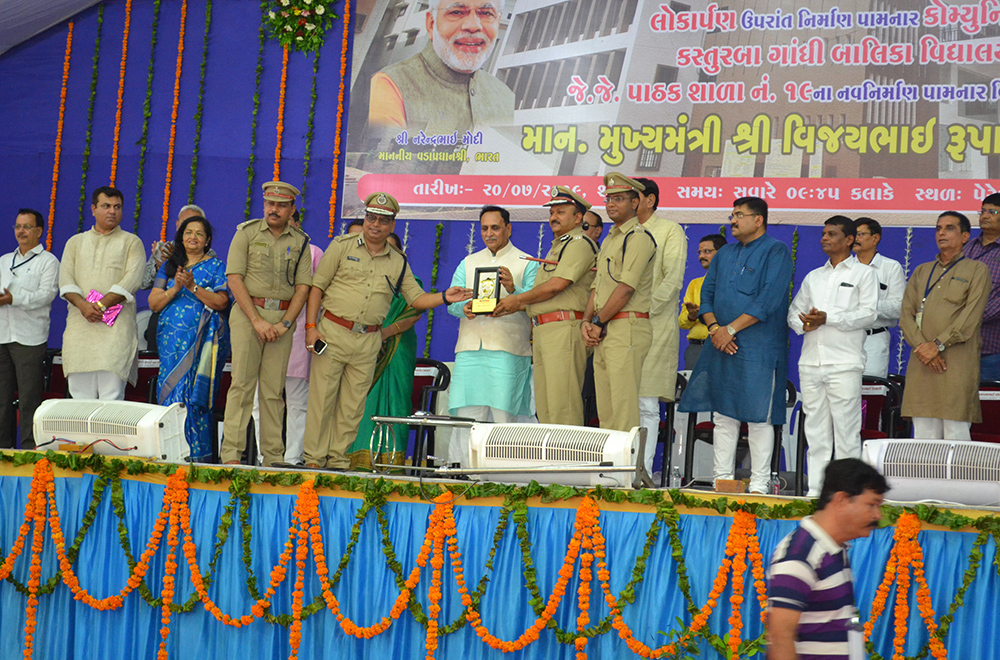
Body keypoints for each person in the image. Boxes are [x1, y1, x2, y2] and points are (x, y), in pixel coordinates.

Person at [303, 192, 471, 470]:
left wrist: (444, 296)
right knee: (322, 402)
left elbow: (416, 299)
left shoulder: (398, 261)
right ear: (365, 218)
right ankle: (313, 461)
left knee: (353, 407)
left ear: (392, 225)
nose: (375, 225)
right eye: (371, 218)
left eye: (383, 220)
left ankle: (337, 461)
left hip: (368, 340)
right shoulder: (342, 247)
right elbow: (317, 288)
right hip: (332, 332)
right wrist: (311, 328)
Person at [678, 196, 793, 494]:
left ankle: (758, 484)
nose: (732, 221)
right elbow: (707, 296)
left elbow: (768, 301)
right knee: (723, 416)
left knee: (759, 417)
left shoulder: (776, 251)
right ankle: (722, 481)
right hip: (720, 343)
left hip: (759, 346)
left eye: (739, 215)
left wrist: (729, 330)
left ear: (758, 220)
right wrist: (716, 329)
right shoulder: (725, 254)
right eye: (731, 215)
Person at [220, 181, 312, 467]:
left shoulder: (300, 242)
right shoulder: (246, 234)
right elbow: (234, 278)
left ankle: (273, 459)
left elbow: (303, 287)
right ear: (264, 205)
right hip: (249, 316)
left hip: (283, 321)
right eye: (270, 204)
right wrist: (257, 320)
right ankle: (231, 456)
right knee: (242, 386)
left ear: (291, 209)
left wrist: (285, 323)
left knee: (273, 392)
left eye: (282, 205)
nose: (275, 209)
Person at [788, 217, 878, 497]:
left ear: (849, 240)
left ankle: (847, 493)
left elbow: (869, 314)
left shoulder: (864, 274)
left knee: (847, 431)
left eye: (832, 234)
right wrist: (805, 324)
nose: (824, 238)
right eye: (823, 234)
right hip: (811, 362)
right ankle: (817, 491)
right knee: (815, 431)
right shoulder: (814, 276)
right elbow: (794, 313)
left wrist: (829, 318)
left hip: (844, 363)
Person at [493, 186, 598, 426]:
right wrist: (514, 301)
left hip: (564, 330)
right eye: (552, 212)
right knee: (546, 408)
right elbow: (543, 294)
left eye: (561, 212)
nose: (553, 217)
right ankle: (553, 463)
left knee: (563, 406)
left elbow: (556, 285)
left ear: (578, 217)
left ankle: (570, 463)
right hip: (545, 331)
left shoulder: (580, 243)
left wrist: (517, 300)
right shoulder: (558, 246)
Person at [767, 458, 888, 660]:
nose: (877, 515)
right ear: (841, 500)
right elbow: (780, 637)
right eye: (871, 505)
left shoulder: (834, 548)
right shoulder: (799, 555)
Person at [446, 204, 537, 466]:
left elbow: (534, 304)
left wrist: (514, 288)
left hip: (507, 351)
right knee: (467, 417)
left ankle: (504, 474)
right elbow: (452, 303)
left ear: (508, 229)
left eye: (495, 227)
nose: (489, 233)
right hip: (470, 350)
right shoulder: (469, 262)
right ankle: (462, 472)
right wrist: (463, 307)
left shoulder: (526, 262)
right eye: (484, 228)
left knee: (504, 418)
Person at [900, 211, 990, 440]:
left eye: (949, 228)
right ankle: (925, 478)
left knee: (955, 433)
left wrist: (937, 345)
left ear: (965, 236)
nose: (941, 232)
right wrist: (925, 348)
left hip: (956, 361)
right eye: (938, 228)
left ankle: (957, 478)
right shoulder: (922, 271)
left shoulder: (977, 270)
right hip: (923, 362)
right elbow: (906, 316)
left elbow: (971, 317)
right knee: (923, 434)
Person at [149, 216, 230, 462]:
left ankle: (197, 457)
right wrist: (176, 287)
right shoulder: (169, 267)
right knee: (170, 392)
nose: (192, 237)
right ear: (181, 237)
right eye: (188, 232)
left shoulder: (216, 266)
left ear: (207, 241)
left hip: (202, 344)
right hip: (171, 342)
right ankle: (168, 454)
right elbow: (154, 303)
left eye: (199, 234)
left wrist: (194, 287)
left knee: (195, 397)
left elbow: (222, 302)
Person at [249, 210, 325, 467]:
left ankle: (293, 459)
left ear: (297, 223)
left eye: (289, 222)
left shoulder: (313, 253)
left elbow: (317, 294)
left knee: (296, 401)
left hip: (298, 332)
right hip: (261, 329)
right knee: (261, 401)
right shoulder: (258, 246)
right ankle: (265, 458)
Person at [581, 173, 656, 433]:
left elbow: (626, 289)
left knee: (623, 410)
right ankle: (608, 472)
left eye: (619, 199)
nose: (611, 204)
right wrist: (586, 321)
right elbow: (596, 287)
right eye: (609, 198)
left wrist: (598, 322)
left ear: (636, 203)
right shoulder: (611, 239)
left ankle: (624, 473)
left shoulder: (638, 237)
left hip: (626, 327)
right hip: (604, 329)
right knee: (606, 411)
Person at [368, 0, 514, 133]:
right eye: (456, 12)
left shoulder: (505, 96)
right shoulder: (393, 83)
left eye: (487, 13)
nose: (473, 26)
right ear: (431, 24)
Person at [59, 186, 146, 400]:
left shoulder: (131, 242)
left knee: (112, 397)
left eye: (117, 207)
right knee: (79, 398)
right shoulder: (75, 243)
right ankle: (82, 437)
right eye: (106, 206)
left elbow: (132, 280)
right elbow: (65, 281)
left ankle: (108, 437)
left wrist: (100, 306)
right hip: (80, 329)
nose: (112, 211)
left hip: (115, 332)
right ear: (93, 209)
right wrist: (84, 306)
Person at [350, 232, 424, 469]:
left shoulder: (413, 284)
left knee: (396, 401)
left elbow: (413, 314)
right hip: (363, 346)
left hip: (397, 349)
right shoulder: (364, 283)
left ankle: (391, 461)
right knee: (361, 401)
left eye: (391, 249)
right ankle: (356, 458)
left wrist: (383, 333)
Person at [634, 177, 686, 471]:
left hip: (654, 326)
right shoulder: (622, 233)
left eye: (632, 196)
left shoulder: (669, 230)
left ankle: (642, 470)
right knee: (622, 403)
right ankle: (619, 469)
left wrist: (641, 309)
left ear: (650, 200)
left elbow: (672, 280)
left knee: (646, 404)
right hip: (621, 328)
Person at [0, 209, 59, 450]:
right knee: (2, 400)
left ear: (38, 231)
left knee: (28, 400)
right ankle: (3, 450)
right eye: (17, 226)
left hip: (29, 339)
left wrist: (14, 298)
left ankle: (28, 451)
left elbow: (45, 296)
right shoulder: (4, 260)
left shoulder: (48, 261)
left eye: (26, 227)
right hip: (2, 335)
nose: (21, 231)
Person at [853, 217, 906, 379]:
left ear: (875, 238)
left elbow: (898, 307)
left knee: (871, 392)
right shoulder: (846, 267)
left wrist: (865, 305)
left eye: (860, 234)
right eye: (853, 234)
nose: (855, 239)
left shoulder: (891, 267)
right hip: (847, 338)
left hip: (874, 339)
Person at [963, 193, 1000, 381]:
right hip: (960, 347)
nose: (985, 216)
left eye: (992, 211)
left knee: (991, 406)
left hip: (993, 349)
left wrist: (968, 317)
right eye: (982, 211)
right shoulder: (966, 249)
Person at [679, 234, 726, 369]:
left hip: (723, 347)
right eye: (699, 252)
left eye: (707, 251)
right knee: (694, 389)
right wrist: (692, 316)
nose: (701, 256)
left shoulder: (732, 283)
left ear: (722, 253)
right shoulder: (695, 284)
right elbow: (682, 322)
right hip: (696, 348)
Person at [141, 204, 209, 290]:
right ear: (177, 225)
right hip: (165, 300)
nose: (188, 228)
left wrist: (174, 263)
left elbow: (203, 282)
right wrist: (160, 268)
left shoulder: (208, 253)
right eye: (184, 223)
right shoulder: (165, 248)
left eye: (194, 224)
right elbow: (143, 284)